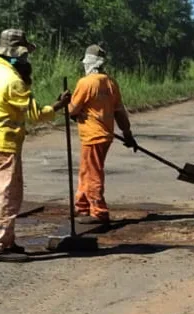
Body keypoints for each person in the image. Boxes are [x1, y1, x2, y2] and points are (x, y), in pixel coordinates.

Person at [0, 29, 71, 262]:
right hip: (3, 142)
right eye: (25, 56)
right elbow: (37, 115)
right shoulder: (14, 81)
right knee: (7, 195)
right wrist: (58, 105)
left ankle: (7, 240)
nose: (27, 61)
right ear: (17, 55)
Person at [68, 45, 138, 225]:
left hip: (93, 135)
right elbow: (120, 111)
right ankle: (82, 206)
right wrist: (127, 133)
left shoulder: (86, 83)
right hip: (106, 135)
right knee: (87, 169)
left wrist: (66, 104)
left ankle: (99, 211)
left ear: (89, 63)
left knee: (92, 172)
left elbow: (72, 110)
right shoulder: (111, 82)